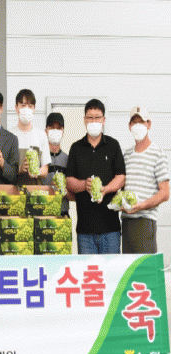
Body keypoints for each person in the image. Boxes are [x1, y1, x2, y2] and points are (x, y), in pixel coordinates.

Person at [66, 99, 125, 254]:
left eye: (97, 117)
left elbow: (121, 177)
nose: (93, 121)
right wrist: (83, 185)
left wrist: (106, 189)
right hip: (85, 231)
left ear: (103, 120)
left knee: (111, 270)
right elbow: (69, 181)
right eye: (90, 118)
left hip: (111, 229)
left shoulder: (113, 145)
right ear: (84, 120)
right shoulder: (76, 148)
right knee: (88, 270)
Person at [121, 106, 169, 254]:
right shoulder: (126, 155)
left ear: (149, 124)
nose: (138, 126)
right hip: (126, 221)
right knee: (129, 266)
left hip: (144, 222)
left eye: (141, 122)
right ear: (129, 126)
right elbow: (122, 187)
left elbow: (165, 193)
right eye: (134, 122)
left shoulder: (158, 154)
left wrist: (142, 205)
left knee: (145, 266)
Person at [10, 89, 50, 184]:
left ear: (34, 109)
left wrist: (36, 171)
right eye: (23, 105)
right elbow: (5, 168)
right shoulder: (9, 135)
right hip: (14, 190)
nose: (26, 109)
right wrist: (19, 169)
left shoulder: (41, 135)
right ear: (16, 108)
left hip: (35, 190)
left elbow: (45, 169)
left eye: (30, 106)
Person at [43, 112, 70, 217]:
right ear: (46, 131)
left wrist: (64, 191)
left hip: (63, 214)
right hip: (42, 214)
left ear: (63, 132)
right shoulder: (39, 158)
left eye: (58, 128)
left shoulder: (67, 159)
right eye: (52, 127)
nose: (55, 131)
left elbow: (74, 195)